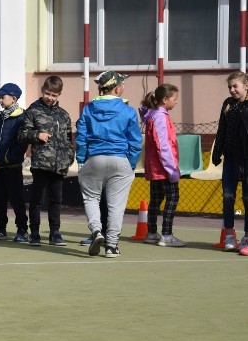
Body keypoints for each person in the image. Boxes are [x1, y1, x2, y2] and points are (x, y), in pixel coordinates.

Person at [76, 71, 143, 258]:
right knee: (116, 206)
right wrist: (130, 163)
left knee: (91, 198)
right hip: (120, 159)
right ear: (116, 87)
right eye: (122, 84)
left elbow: (81, 137)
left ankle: (97, 231)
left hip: (94, 158)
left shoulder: (88, 109)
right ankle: (112, 246)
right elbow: (135, 141)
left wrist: (81, 159)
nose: (123, 87)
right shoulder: (128, 111)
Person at [18, 75, 75, 247]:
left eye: (54, 95)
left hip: (59, 165)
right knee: (37, 200)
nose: (50, 98)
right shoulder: (33, 111)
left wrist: (69, 157)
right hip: (41, 163)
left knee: (56, 200)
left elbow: (67, 139)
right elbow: (21, 135)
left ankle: (55, 233)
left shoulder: (63, 115)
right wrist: (37, 135)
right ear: (43, 91)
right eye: (48, 93)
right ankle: (34, 232)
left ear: (59, 95)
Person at [139, 83, 186, 247]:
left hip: (155, 168)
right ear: (165, 99)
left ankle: (152, 233)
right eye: (174, 99)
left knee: (156, 200)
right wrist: (171, 169)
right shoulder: (159, 117)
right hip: (164, 168)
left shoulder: (154, 116)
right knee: (172, 198)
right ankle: (166, 234)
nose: (176, 102)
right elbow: (163, 145)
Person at [0, 82, 28, 243]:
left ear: (14, 98)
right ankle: (0, 228)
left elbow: (22, 143)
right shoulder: (0, 118)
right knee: (0, 199)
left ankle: (22, 229)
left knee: (17, 199)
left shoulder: (23, 117)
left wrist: (9, 157)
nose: (0, 100)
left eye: (3, 97)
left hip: (13, 165)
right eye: (0, 97)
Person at [211, 71, 248, 253]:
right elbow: (222, 130)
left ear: (246, 86)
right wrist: (217, 154)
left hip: (246, 159)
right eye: (230, 87)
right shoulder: (228, 104)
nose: (232, 90)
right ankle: (229, 235)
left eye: (236, 86)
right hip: (231, 158)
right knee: (228, 196)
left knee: (247, 198)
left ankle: (247, 238)